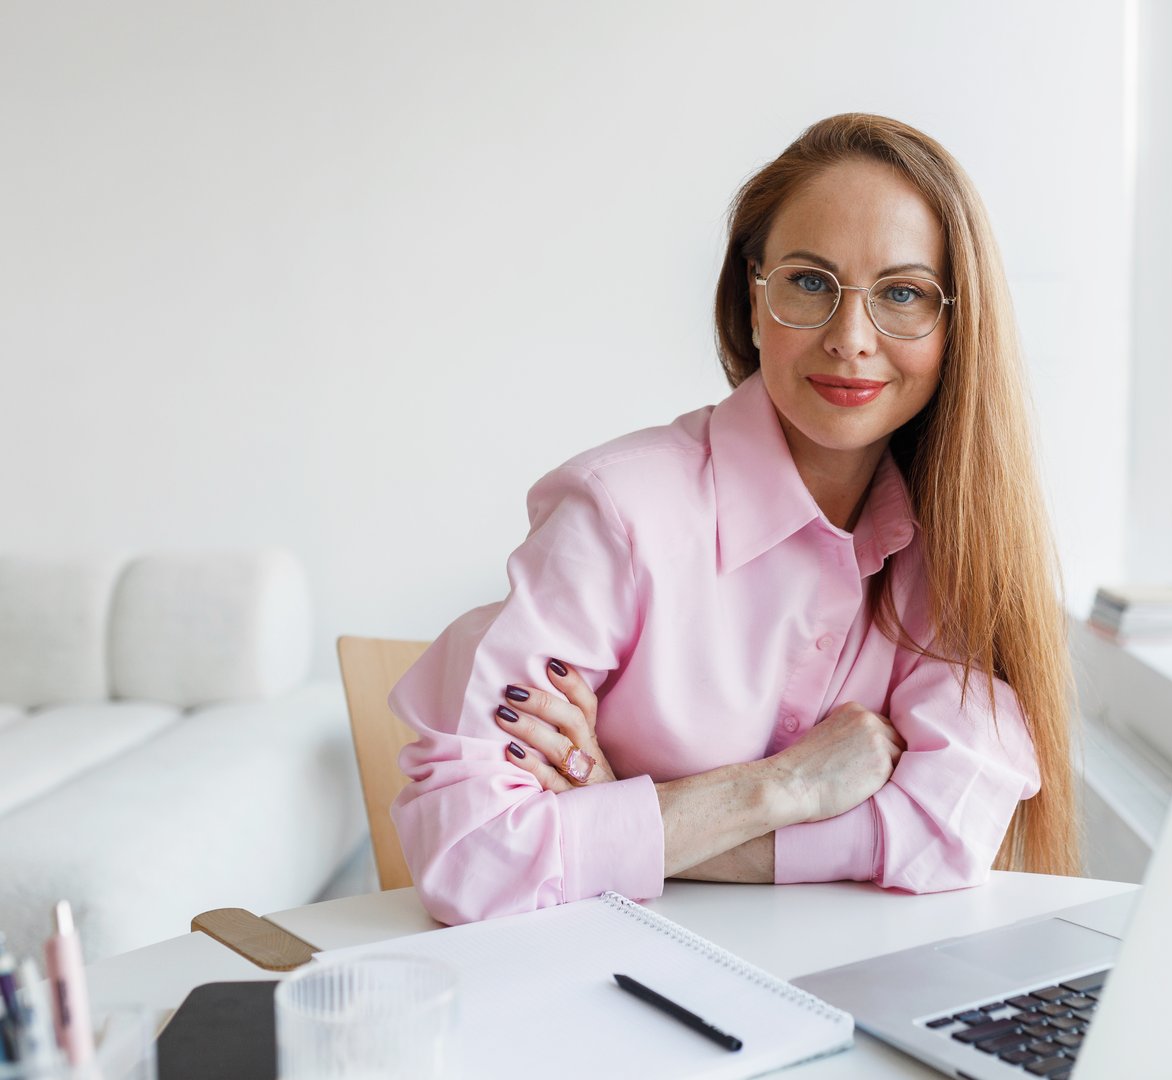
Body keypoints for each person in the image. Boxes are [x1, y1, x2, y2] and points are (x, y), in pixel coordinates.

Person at [388, 113, 1080, 925]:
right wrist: (781, 787)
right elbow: (470, 857)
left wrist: (636, 822)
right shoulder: (616, 516)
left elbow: (949, 827)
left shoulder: (954, 539)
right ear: (753, 300)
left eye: (902, 294)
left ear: (958, 326)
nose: (851, 339)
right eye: (810, 282)